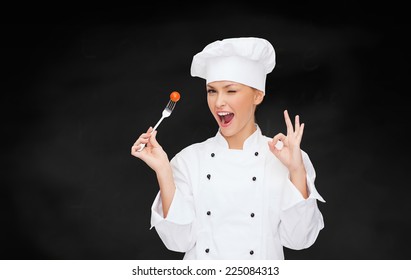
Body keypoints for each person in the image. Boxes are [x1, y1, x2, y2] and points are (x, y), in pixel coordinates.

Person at [131, 37, 325, 260]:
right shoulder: (189, 160)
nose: (218, 102)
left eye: (230, 91)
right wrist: (164, 171)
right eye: (212, 91)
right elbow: (178, 241)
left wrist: (296, 171)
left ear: (257, 95)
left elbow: (299, 240)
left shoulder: (290, 158)